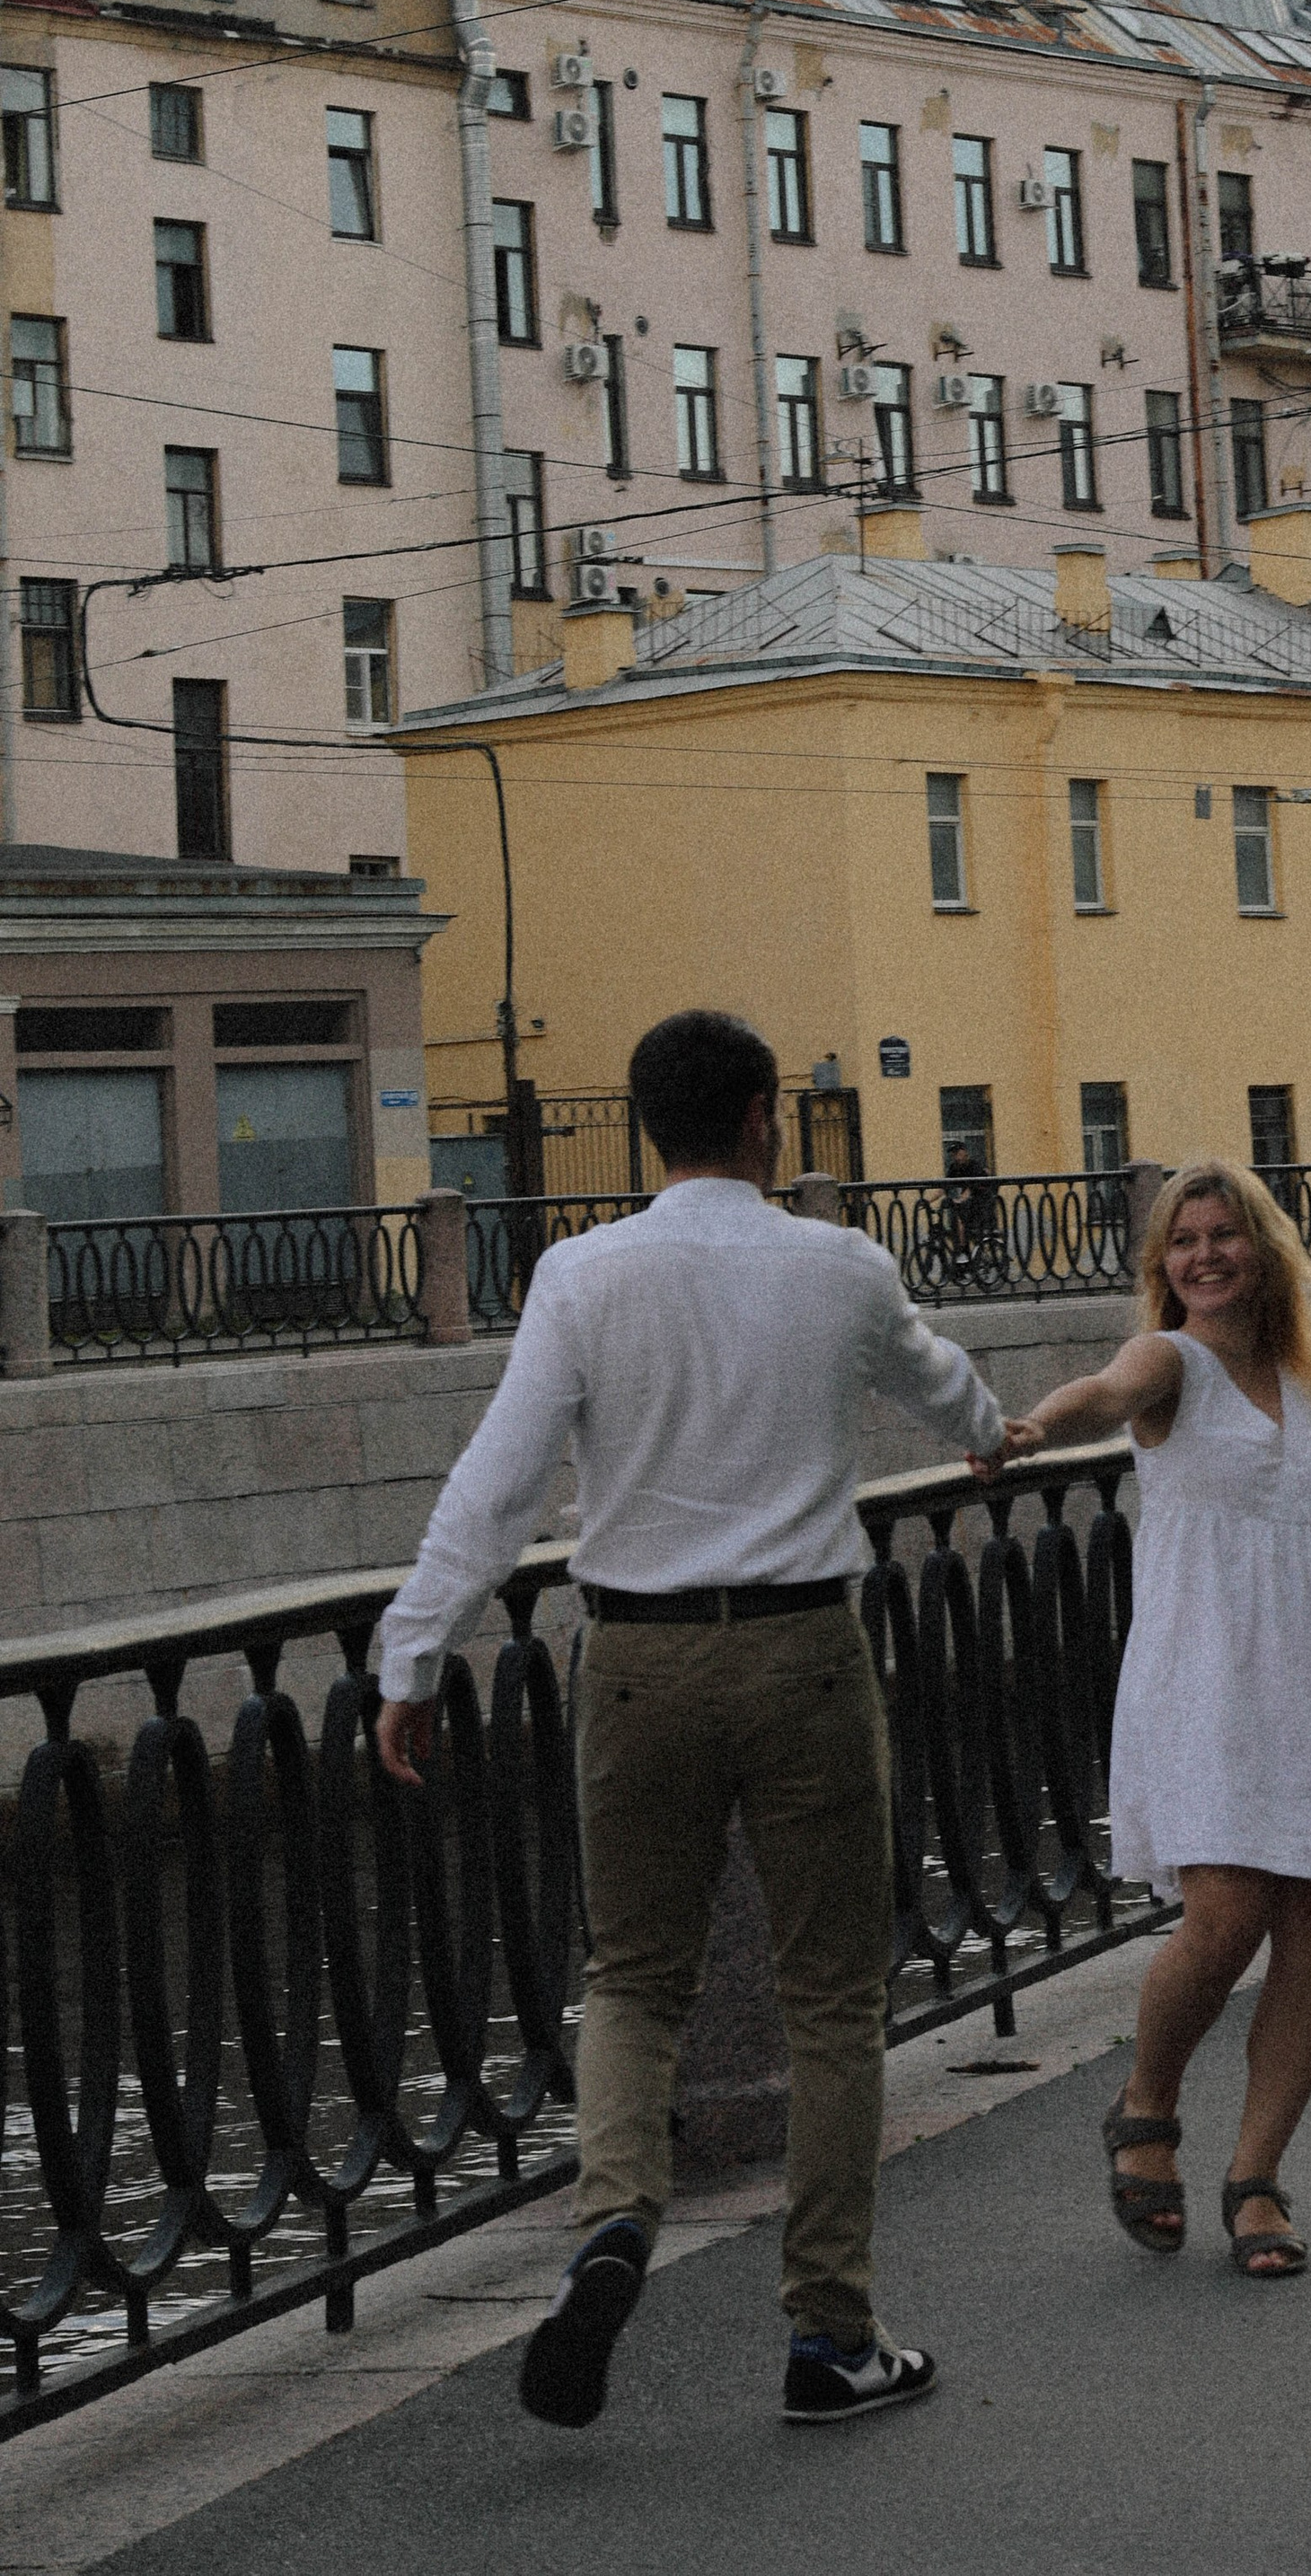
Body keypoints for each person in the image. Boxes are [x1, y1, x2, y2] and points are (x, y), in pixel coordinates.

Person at [376, 1009, 1005, 2429]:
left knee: (637, 1974)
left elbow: (500, 1483)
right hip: (802, 1656)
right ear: (766, 1119)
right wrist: (987, 1430)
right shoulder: (840, 1266)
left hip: (640, 1664)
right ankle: (829, 2333)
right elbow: (946, 1387)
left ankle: (616, 2212)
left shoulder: (583, 1274)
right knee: (834, 1999)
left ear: (650, 1126)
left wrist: (413, 1657)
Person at [978, 1157, 1311, 2279]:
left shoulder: (1306, 1380)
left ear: (1263, 1250)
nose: (1204, 1256)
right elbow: (1104, 1394)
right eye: (1183, 1241)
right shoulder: (1166, 1359)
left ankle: (1258, 2178)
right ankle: (1146, 2105)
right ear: (1161, 1265)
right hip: (1212, 1675)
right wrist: (1034, 1424)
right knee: (1223, 1919)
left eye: (1224, 1236)